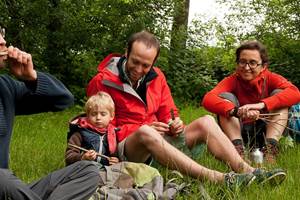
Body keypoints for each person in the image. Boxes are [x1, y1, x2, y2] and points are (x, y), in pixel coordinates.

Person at [86, 30, 286, 187]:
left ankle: (248, 171)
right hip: (127, 150)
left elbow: (169, 112)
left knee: (206, 121)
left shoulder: (157, 77)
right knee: (146, 131)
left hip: (159, 144)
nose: (139, 70)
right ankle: (219, 179)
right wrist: (142, 128)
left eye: (145, 65)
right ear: (126, 53)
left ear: (153, 63)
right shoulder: (102, 81)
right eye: (135, 62)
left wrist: (175, 123)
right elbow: (97, 128)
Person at [0, 25, 100, 199]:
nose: (3, 41)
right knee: (3, 179)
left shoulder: (6, 87)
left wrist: (32, 77)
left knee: (88, 171)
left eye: (1, 35)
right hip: (5, 184)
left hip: (9, 191)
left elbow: (63, 100)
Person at [202, 40, 300, 163]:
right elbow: (208, 99)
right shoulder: (232, 80)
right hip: (240, 132)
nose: (246, 67)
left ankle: (270, 151)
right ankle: (238, 151)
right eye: (242, 62)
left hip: (267, 129)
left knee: (280, 95)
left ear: (263, 66)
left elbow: (295, 92)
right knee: (225, 97)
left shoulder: (271, 77)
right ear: (237, 63)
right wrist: (236, 111)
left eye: (253, 63)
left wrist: (261, 105)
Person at [65, 91, 119, 167]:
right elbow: (69, 157)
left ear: (111, 116)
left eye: (103, 114)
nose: (98, 118)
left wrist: (116, 161)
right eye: (94, 114)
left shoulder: (113, 134)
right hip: (83, 169)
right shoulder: (80, 133)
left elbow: (117, 155)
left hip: (105, 171)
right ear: (87, 116)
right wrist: (83, 157)